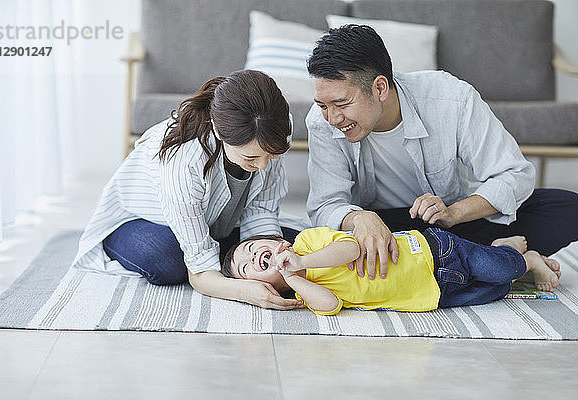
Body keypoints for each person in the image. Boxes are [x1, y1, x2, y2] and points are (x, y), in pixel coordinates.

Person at [305, 24, 578, 282]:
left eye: (341, 103)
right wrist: (361, 218)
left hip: (454, 224)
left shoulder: (450, 98)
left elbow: (514, 174)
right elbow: (325, 205)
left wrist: (454, 212)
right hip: (384, 229)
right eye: (323, 105)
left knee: (566, 208)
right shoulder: (320, 123)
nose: (332, 118)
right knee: (314, 245)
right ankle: (502, 259)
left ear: (379, 88)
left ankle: (474, 263)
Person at [72, 70, 304, 310]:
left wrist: (272, 253)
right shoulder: (184, 161)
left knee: (299, 246)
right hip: (140, 221)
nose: (264, 165)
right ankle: (121, 245)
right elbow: (200, 271)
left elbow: (261, 210)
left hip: (216, 222)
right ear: (218, 130)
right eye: (252, 157)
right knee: (168, 261)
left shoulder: (273, 125)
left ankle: (220, 252)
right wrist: (244, 290)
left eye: (273, 155)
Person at [220, 227, 560, 315]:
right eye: (247, 267)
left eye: (252, 248)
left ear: (278, 242)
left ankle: (525, 256)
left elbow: (352, 248)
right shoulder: (302, 292)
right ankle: (506, 253)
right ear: (268, 287)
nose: (253, 258)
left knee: (499, 269)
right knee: (494, 292)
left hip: (432, 251)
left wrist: (302, 262)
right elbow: (329, 305)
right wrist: (295, 277)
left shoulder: (310, 243)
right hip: (434, 294)